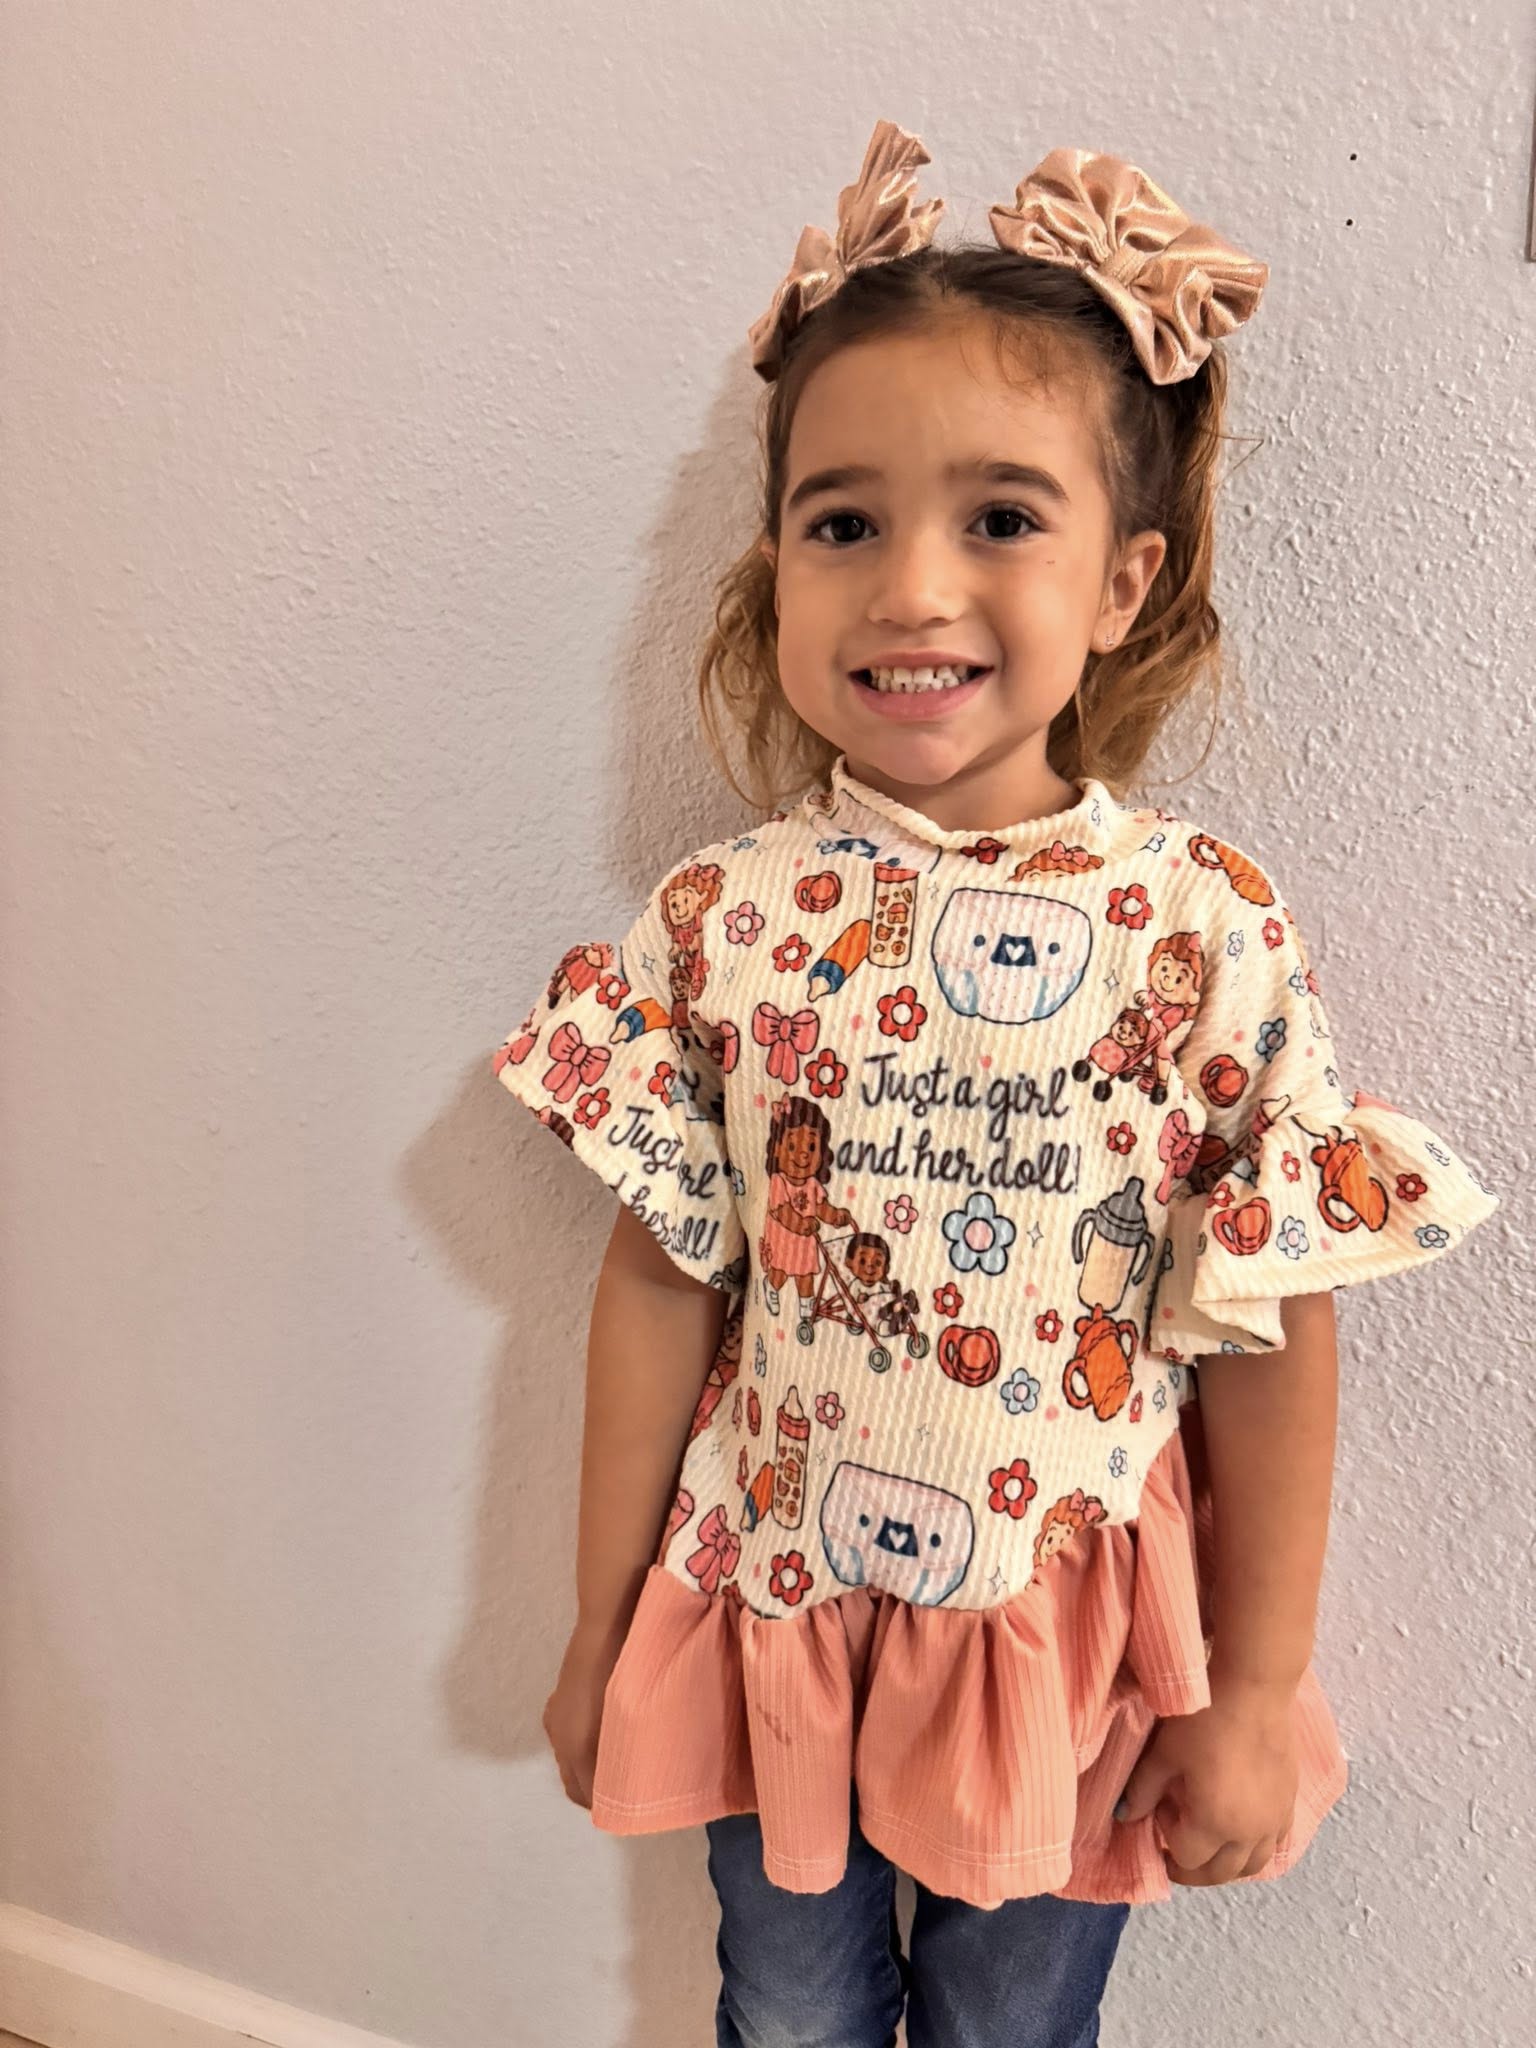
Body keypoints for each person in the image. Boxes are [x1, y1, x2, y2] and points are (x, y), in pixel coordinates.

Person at [491, 121, 1501, 2048]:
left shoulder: (1199, 928)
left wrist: (1253, 1689)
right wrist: (602, 1618)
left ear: (1126, 580)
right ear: (773, 565)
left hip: (1061, 1652)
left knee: (1011, 2034)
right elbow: (660, 1280)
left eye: (1003, 518)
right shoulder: (723, 920)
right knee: (785, 2016)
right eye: (843, 523)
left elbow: (1272, 1327)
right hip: (772, 1605)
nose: (911, 587)